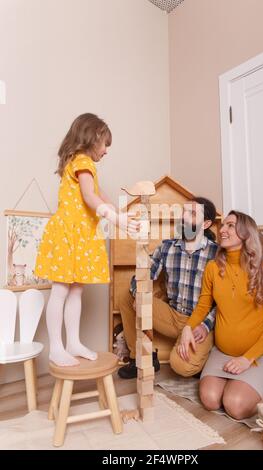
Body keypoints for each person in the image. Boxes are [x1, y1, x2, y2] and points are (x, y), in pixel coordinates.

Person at [35, 113, 138, 366]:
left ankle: (72, 342)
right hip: (70, 235)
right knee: (60, 290)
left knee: (76, 290)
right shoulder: (82, 161)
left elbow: (100, 195)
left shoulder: (84, 166)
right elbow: (90, 198)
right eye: (105, 144)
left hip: (80, 236)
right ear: (92, 138)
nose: (106, 151)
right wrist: (117, 220)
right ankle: (56, 348)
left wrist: (118, 213)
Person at [178, 211, 263, 420]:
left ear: (246, 233)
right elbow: (203, 306)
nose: (223, 229)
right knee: (210, 400)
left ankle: (257, 386)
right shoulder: (212, 268)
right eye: (223, 225)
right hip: (224, 353)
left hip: (258, 356)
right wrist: (187, 328)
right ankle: (241, 385)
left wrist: (247, 359)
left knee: (234, 406)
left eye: (230, 225)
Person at [118, 197, 219, 379]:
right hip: (172, 317)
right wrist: (138, 294)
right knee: (127, 297)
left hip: (199, 323)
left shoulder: (217, 254)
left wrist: (205, 326)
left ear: (206, 224)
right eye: (185, 212)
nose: (185, 218)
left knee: (181, 367)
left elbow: (223, 302)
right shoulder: (167, 247)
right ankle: (140, 358)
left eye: (193, 214)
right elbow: (144, 274)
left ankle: (205, 357)